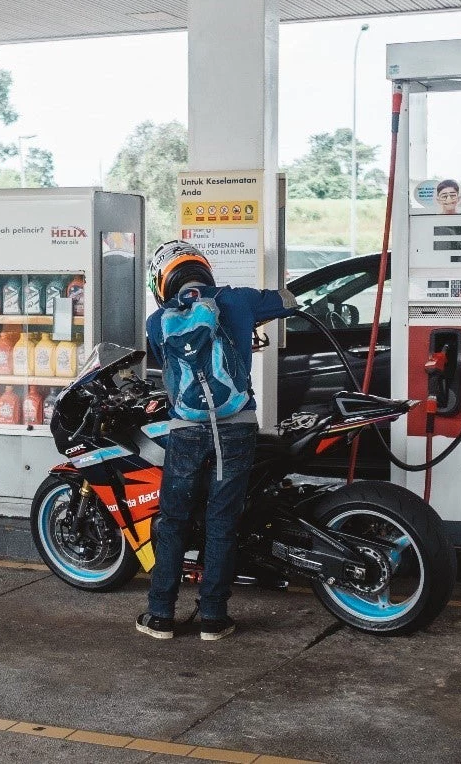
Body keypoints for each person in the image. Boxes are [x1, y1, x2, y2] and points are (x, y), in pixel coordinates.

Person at [137, 240, 296, 642]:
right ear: (202, 268)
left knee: (173, 519)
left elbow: (164, 365)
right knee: (222, 519)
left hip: (185, 428)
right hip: (236, 424)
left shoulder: (158, 321)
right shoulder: (238, 300)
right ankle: (213, 618)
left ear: (163, 279)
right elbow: (288, 301)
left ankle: (159, 615)